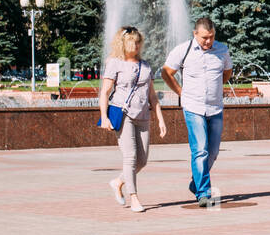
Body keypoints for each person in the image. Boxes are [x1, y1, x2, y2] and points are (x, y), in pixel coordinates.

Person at [161, 17, 233, 207]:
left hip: (215, 107)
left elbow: (227, 72)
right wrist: (180, 92)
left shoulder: (222, 50)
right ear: (195, 34)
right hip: (193, 107)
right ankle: (203, 192)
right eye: (204, 38)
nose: (208, 41)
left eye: (211, 37)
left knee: (213, 152)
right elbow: (166, 72)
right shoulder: (183, 50)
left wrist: (216, 86)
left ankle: (196, 182)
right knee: (200, 150)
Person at [99, 26, 167, 213]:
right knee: (130, 158)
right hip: (123, 113)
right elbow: (105, 92)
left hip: (143, 115)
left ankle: (118, 181)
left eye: (138, 42)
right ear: (123, 43)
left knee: (142, 160)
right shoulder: (115, 63)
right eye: (132, 42)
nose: (136, 46)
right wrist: (104, 117)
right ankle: (134, 197)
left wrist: (161, 119)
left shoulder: (145, 65)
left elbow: (152, 96)